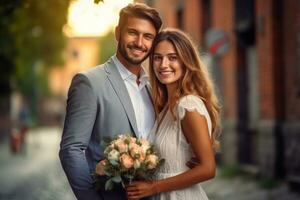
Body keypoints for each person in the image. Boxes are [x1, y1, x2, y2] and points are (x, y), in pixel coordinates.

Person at [59, 3, 162, 200]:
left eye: (148, 36)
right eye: (133, 32)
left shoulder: (154, 87)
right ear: (118, 33)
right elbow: (71, 150)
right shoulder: (89, 82)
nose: (140, 42)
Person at [126, 28, 221, 200]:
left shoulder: (188, 105)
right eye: (157, 58)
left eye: (172, 58)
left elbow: (208, 168)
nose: (163, 65)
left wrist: (154, 187)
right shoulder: (166, 108)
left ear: (186, 61)